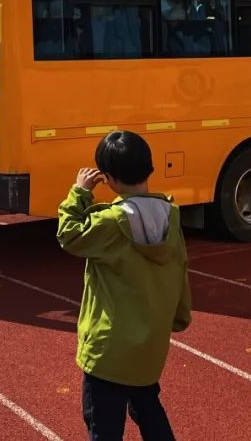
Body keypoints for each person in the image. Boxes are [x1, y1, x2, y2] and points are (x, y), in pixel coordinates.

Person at [57, 130, 191, 441]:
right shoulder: (171, 217)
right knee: (148, 408)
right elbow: (180, 269)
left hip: (109, 349)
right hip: (149, 344)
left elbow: (68, 234)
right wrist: (180, 316)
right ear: (149, 168)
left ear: (109, 178)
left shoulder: (110, 222)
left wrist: (80, 192)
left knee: (103, 425)